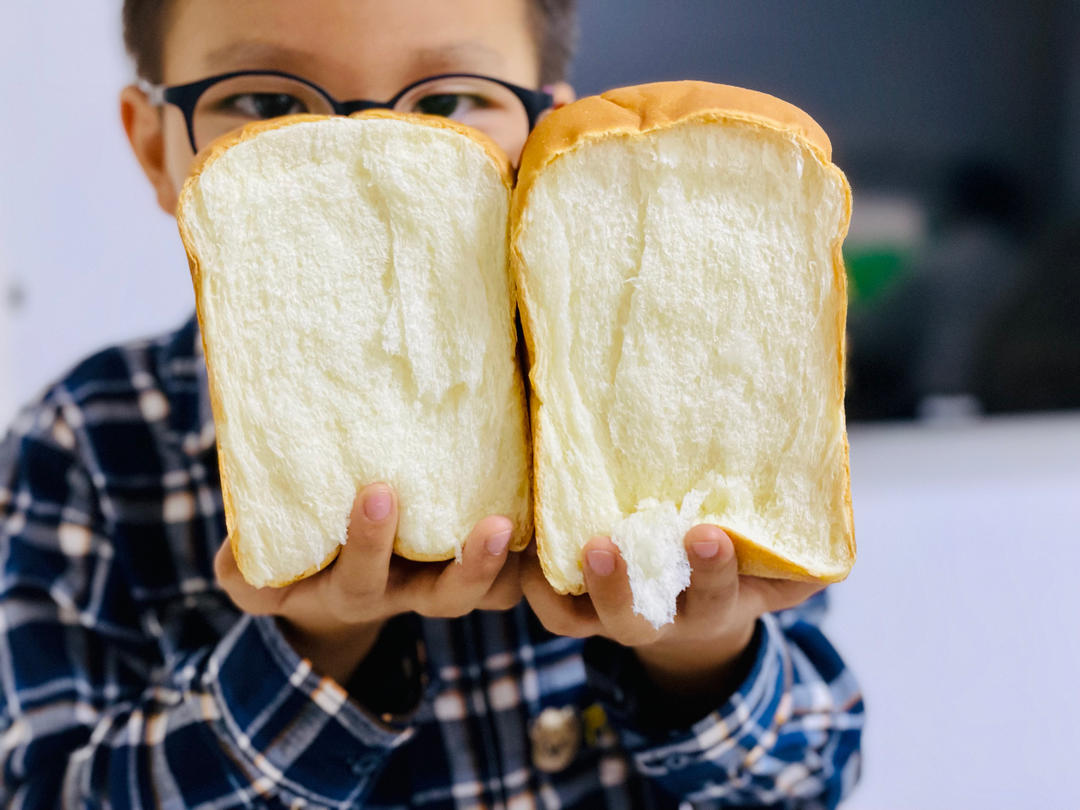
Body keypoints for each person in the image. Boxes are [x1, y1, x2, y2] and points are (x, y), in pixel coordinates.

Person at [0, 1, 863, 806]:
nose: (369, 157)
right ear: (157, 149)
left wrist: (694, 653)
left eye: (449, 99)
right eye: (266, 100)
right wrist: (314, 647)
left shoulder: (664, 426)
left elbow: (814, 774)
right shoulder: (84, 444)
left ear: (542, 135)